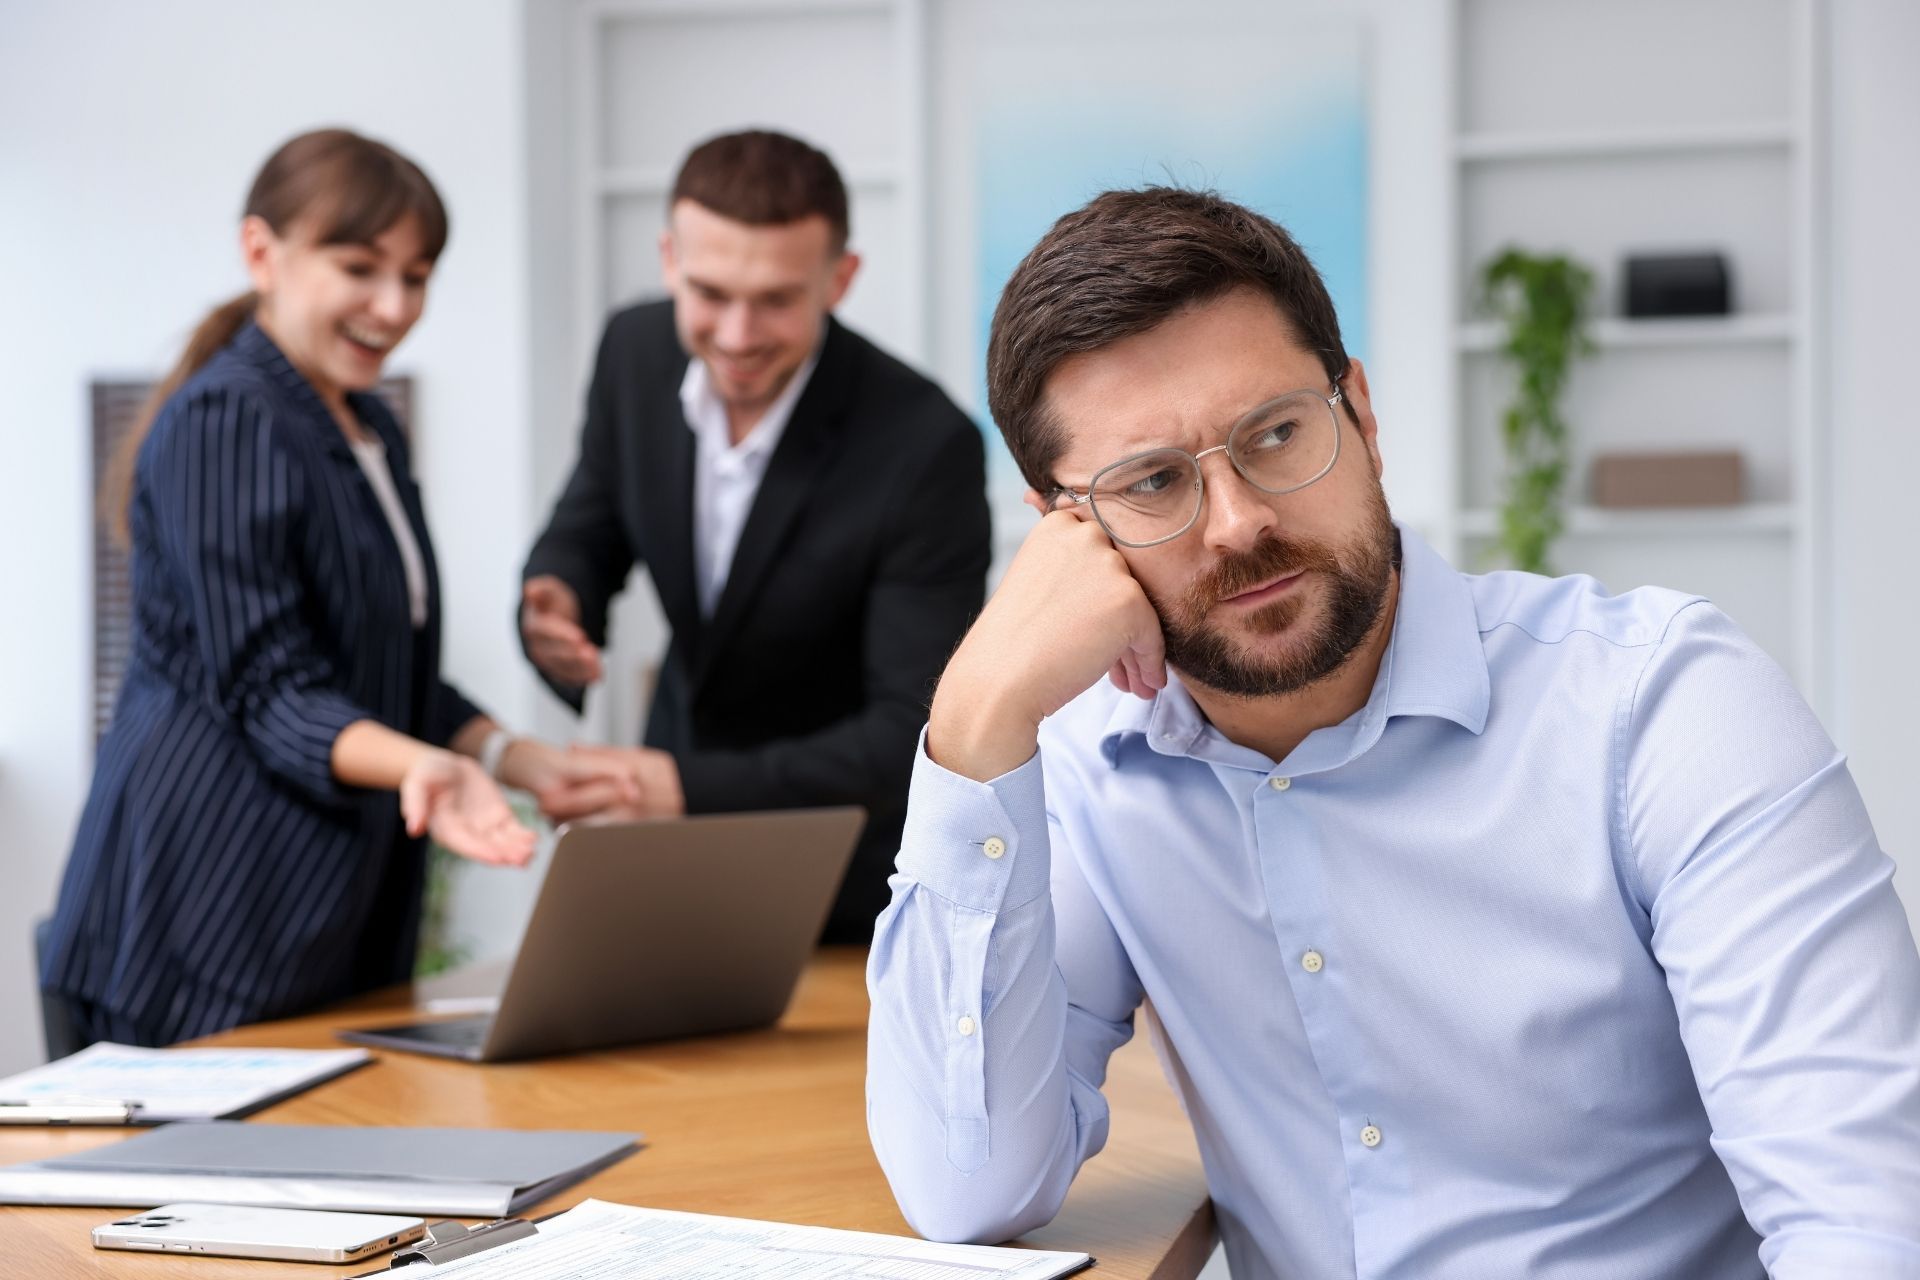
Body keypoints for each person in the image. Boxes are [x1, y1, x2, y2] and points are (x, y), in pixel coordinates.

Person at [866, 187, 1920, 1278]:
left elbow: (1868, 1226)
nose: (1239, 522)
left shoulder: (1662, 707)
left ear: (1359, 414)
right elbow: (966, 1185)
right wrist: (976, 716)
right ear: (1067, 535)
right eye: (1154, 482)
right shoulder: (1096, 767)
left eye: (1275, 433)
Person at [41, 129, 633, 1049]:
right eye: (359, 267)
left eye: (418, 275)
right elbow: (271, 686)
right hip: (206, 916)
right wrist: (419, 768)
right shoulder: (230, 416)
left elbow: (386, 670)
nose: (394, 307)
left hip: (322, 922)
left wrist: (516, 760)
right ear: (261, 252)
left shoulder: (364, 425)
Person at [520, 129, 990, 944]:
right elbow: (591, 514)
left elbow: (910, 730)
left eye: (775, 300)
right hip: (667, 850)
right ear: (670, 259)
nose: (736, 335)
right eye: (708, 293)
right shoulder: (633, 351)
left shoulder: (924, 443)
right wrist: (560, 593)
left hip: (845, 882)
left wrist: (680, 786)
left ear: (840, 279)